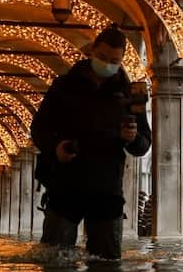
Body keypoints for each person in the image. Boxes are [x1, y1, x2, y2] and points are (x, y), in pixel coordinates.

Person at [30, 24, 151, 259]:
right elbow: (38, 129)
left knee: (107, 265)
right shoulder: (63, 87)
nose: (107, 63)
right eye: (102, 57)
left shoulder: (130, 94)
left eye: (113, 60)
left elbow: (143, 145)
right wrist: (55, 148)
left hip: (106, 190)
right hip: (65, 185)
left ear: (121, 60)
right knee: (55, 263)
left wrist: (133, 138)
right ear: (92, 51)